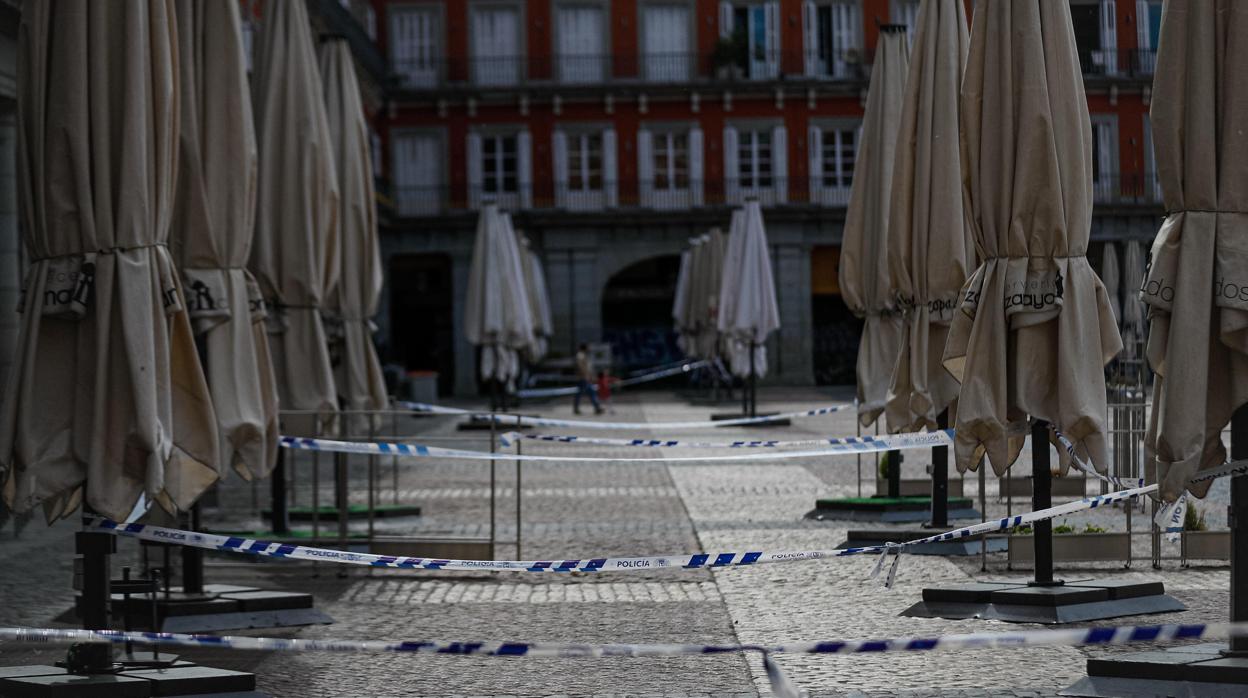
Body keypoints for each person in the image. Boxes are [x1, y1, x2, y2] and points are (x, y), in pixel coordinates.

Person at [573, 343, 603, 415]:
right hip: (583, 378)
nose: (589, 349)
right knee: (590, 392)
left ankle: (577, 408)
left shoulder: (583, 355)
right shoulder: (580, 355)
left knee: (582, 393)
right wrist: (586, 375)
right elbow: (581, 366)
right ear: (585, 348)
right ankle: (597, 407)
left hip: (584, 377)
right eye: (587, 348)